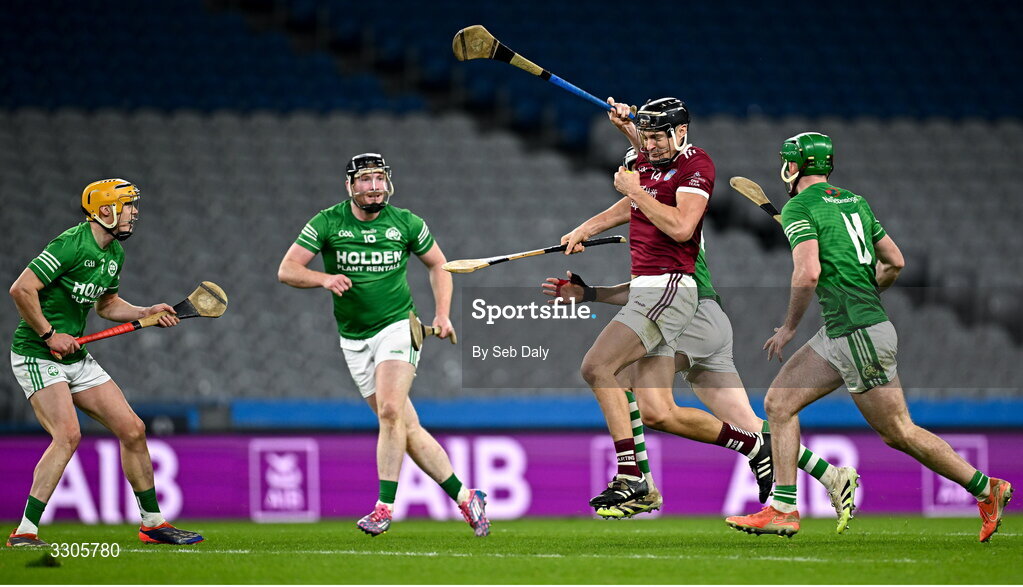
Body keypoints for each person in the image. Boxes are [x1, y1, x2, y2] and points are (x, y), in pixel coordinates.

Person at [545, 152, 859, 532]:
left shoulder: (669, 212)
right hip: (707, 321)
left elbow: (660, 287)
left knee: (620, 376)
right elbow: (646, 290)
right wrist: (591, 293)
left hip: (693, 318)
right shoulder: (662, 212)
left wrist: (631, 143)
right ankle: (832, 476)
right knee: (747, 423)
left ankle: (639, 480)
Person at [725, 133, 1013, 541]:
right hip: (846, 329)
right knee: (779, 403)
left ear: (793, 166)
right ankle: (783, 508)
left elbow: (807, 274)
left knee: (898, 431)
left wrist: (790, 326)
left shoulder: (798, 207)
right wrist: (863, 289)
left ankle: (987, 489)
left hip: (856, 331)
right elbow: (894, 262)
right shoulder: (855, 201)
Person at [278, 153, 489, 537]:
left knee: (391, 412)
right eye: (365, 180)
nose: (374, 186)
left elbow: (439, 265)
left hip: (398, 327)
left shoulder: (407, 222)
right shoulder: (327, 222)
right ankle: (465, 496)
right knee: (405, 425)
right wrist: (323, 279)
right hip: (354, 339)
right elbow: (287, 270)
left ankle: (383, 508)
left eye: (379, 178)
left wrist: (442, 314)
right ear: (349, 185)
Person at [562, 96, 737, 511]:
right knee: (655, 408)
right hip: (649, 288)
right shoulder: (654, 163)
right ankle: (751, 444)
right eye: (647, 137)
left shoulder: (697, 165)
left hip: (672, 287)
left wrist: (636, 189)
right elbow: (633, 199)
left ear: (681, 132)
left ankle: (631, 476)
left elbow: (680, 227)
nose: (651, 145)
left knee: (597, 366)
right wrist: (586, 227)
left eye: (659, 137)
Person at [7, 179, 203, 547]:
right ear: (105, 209)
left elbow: (106, 305)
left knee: (133, 429)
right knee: (67, 435)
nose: (134, 212)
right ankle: (25, 531)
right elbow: (21, 288)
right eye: (128, 205)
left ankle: (153, 524)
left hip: (75, 355)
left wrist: (146, 311)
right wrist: (50, 334)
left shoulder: (114, 254)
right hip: (37, 351)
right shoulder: (70, 245)